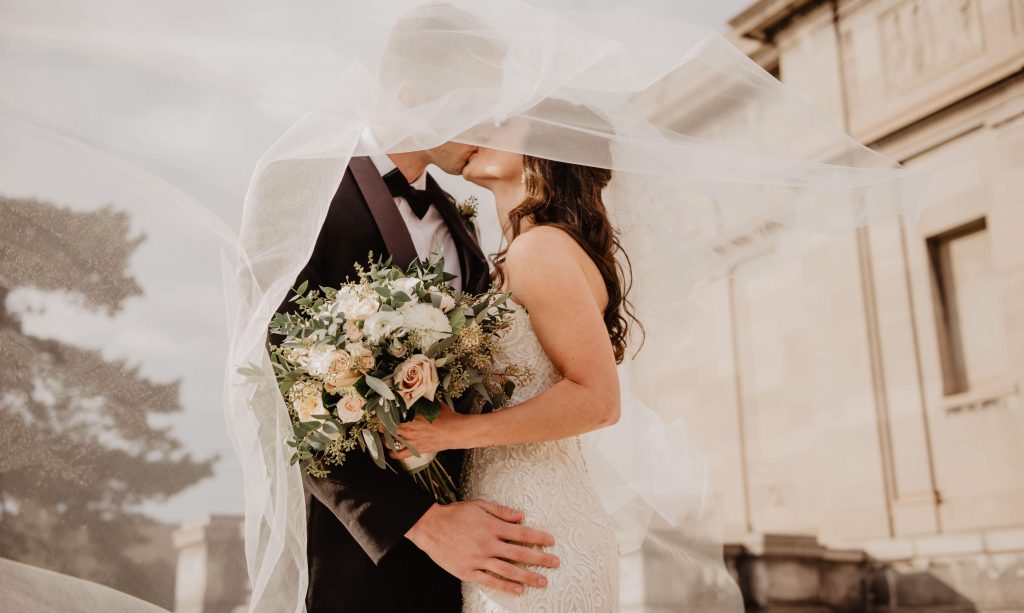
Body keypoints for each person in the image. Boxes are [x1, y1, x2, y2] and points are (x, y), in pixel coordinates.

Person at [392, 113, 630, 611]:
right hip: (512, 522)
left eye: (501, 124)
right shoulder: (516, 253)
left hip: (537, 529)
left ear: (545, 147)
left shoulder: (539, 249)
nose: (477, 129)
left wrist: (452, 433)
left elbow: (599, 400)